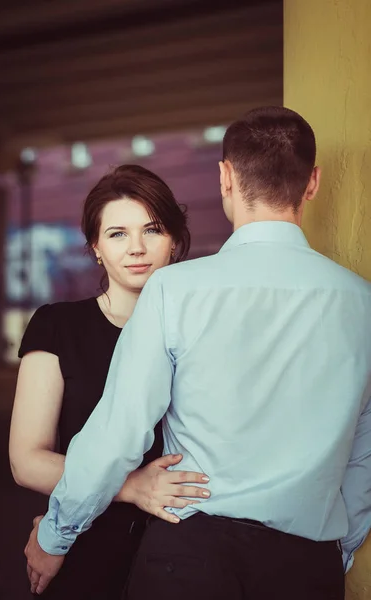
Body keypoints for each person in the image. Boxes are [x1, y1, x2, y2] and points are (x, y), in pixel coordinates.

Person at [25, 107, 371, 600]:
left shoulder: (175, 290)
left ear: (225, 178)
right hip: (306, 561)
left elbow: (119, 430)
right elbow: (365, 451)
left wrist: (56, 534)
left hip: (191, 558)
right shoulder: (363, 303)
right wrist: (339, 550)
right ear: (312, 183)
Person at [9, 164, 211, 599]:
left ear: (174, 240)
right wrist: (130, 486)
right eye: (117, 234)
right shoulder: (57, 325)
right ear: (95, 247)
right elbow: (25, 461)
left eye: (152, 230)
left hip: (188, 546)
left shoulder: (202, 330)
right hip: (86, 542)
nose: (136, 248)